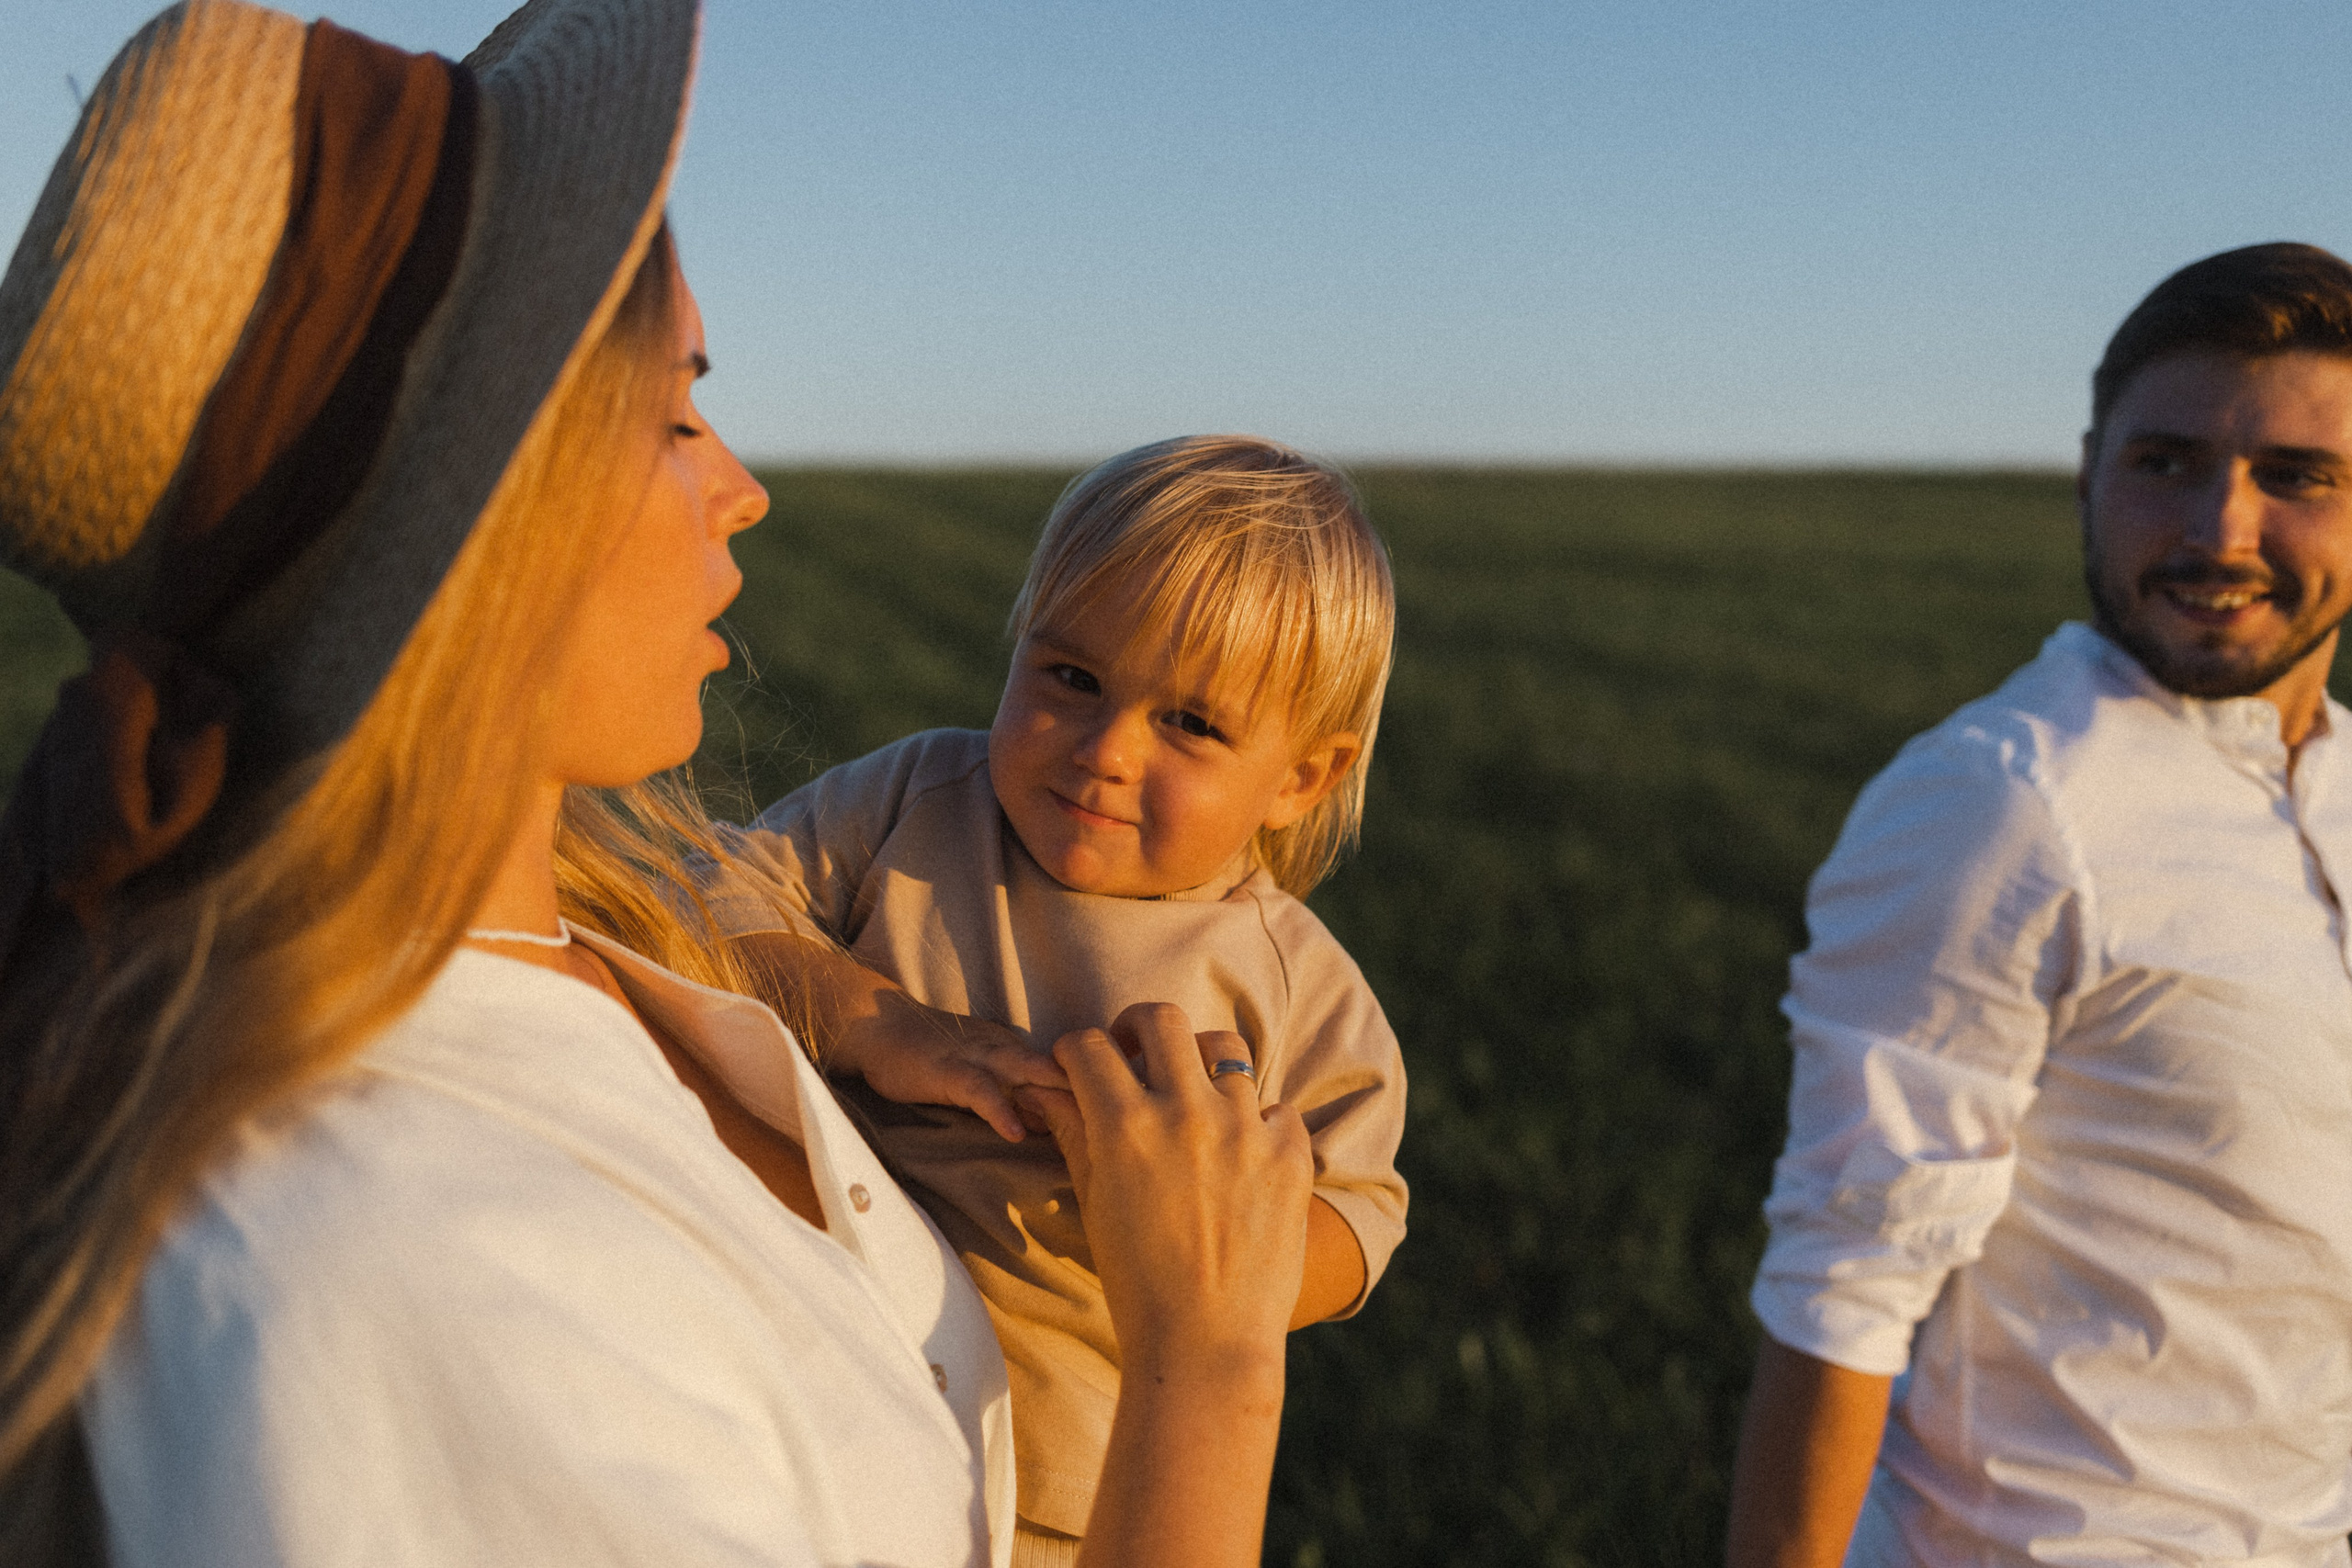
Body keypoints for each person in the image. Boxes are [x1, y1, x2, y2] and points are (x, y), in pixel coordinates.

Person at [0, 4, 1312, 1565]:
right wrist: (1209, 1369)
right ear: (485, 525)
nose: (740, 484)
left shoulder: (583, 952)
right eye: (675, 410)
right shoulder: (391, 1281)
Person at [1725, 242, 2352, 1566]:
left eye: (2293, 476)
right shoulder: (2005, 800)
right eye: (2164, 462)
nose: (2217, 530)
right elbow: (1844, 1288)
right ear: (2089, 477)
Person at [700, 434, 1409, 1565]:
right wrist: (879, 1025)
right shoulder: (917, 801)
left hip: (1056, 1486)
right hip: (807, 1377)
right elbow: (708, 895)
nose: (1108, 748)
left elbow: (1362, 1214)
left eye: (1190, 723)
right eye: (1070, 678)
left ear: (1298, 779)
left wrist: (1190, 1237)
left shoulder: (1293, 985)